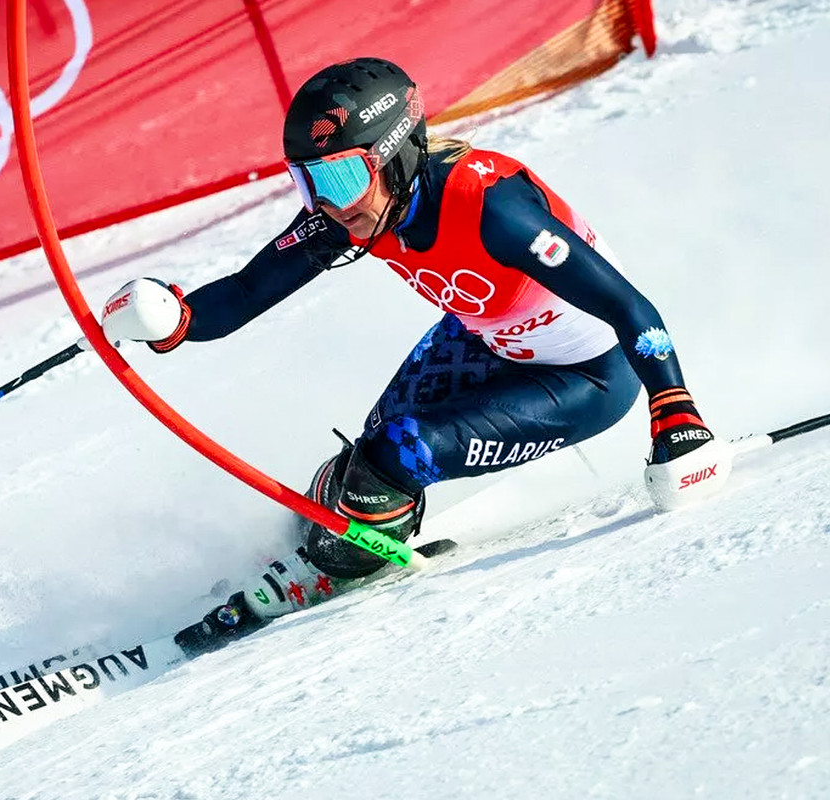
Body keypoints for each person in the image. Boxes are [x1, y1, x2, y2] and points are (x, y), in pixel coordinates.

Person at [100, 57, 734, 648]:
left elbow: (630, 308)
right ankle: (318, 546)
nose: (327, 205)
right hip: (487, 339)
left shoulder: (492, 209)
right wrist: (173, 318)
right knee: (358, 470)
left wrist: (676, 412)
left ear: (395, 156)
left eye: (340, 178)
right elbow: (244, 293)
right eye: (307, 183)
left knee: (393, 455)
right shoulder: (362, 209)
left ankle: (331, 568)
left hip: (589, 376)